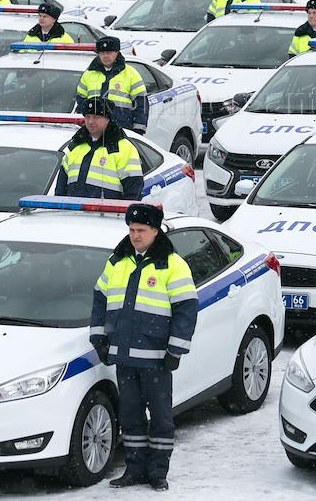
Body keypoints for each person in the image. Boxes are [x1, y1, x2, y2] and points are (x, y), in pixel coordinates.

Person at [91, 202, 196, 492]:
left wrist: (175, 350)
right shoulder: (117, 261)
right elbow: (100, 298)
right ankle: (134, 470)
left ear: (155, 231)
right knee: (130, 416)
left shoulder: (172, 264)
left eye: (141, 230)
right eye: (132, 230)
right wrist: (99, 337)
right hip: (125, 357)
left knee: (161, 418)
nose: (135, 235)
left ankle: (157, 472)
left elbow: (186, 309)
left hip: (156, 359)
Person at [55, 98, 143, 199]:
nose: (90, 121)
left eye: (96, 117)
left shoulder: (124, 148)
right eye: (87, 117)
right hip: (74, 209)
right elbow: (60, 190)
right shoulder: (75, 147)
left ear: (108, 119)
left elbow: (134, 191)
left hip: (110, 210)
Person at [75, 37, 148, 133]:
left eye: (109, 52)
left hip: (122, 129)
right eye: (102, 53)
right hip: (94, 130)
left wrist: (138, 129)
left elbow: (141, 103)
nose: (105, 56)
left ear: (117, 52)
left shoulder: (131, 74)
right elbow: (81, 102)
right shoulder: (88, 74)